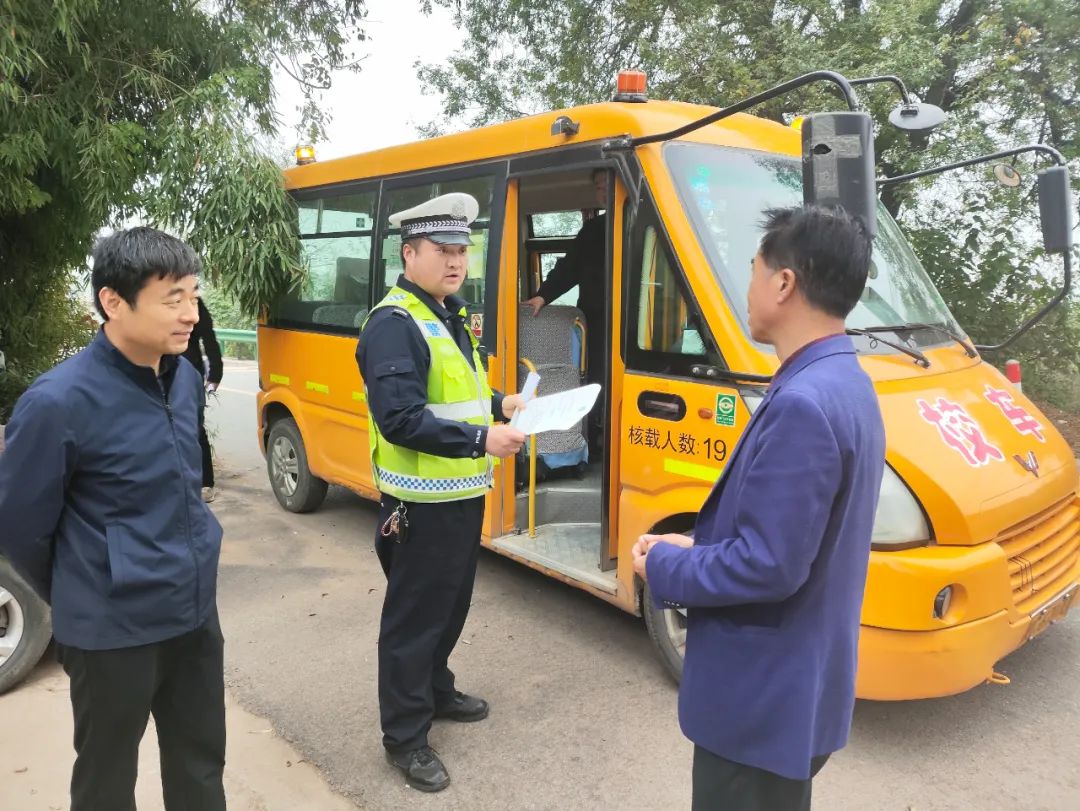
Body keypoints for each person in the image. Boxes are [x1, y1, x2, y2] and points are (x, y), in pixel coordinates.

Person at [632, 205, 886, 811]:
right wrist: (700, 546)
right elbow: (795, 538)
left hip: (760, 705)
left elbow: (768, 566)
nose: (746, 288)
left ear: (783, 283)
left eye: (752, 270)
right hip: (799, 692)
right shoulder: (845, 380)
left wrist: (663, 565)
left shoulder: (803, 402)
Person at [0, 227, 226, 810]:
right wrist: (91, 582)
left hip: (193, 614)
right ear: (113, 301)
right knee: (106, 778)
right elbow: (21, 529)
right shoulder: (58, 402)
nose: (191, 314)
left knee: (201, 763)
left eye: (193, 295)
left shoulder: (182, 379)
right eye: (172, 299)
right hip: (112, 631)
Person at [355, 192, 527, 792]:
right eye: (442, 249)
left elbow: (456, 391)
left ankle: (436, 689)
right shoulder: (393, 324)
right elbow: (400, 418)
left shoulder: (447, 313)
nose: (456, 261)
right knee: (414, 620)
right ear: (409, 253)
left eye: (462, 250)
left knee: (450, 606)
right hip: (419, 505)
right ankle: (405, 738)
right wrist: (484, 438)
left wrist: (502, 403)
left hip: (457, 496)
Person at [522, 168, 607, 451]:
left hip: (635, 324)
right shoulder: (593, 231)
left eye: (608, 184)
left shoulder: (648, 221)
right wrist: (543, 296)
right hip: (596, 321)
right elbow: (569, 268)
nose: (603, 191)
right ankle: (593, 441)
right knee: (593, 379)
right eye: (599, 186)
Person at [180, 296, 224, 502]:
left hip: (190, 373)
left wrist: (215, 373)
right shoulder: (151, 298)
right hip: (156, 371)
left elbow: (208, 337)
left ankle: (206, 483)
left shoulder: (192, 301)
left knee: (195, 428)